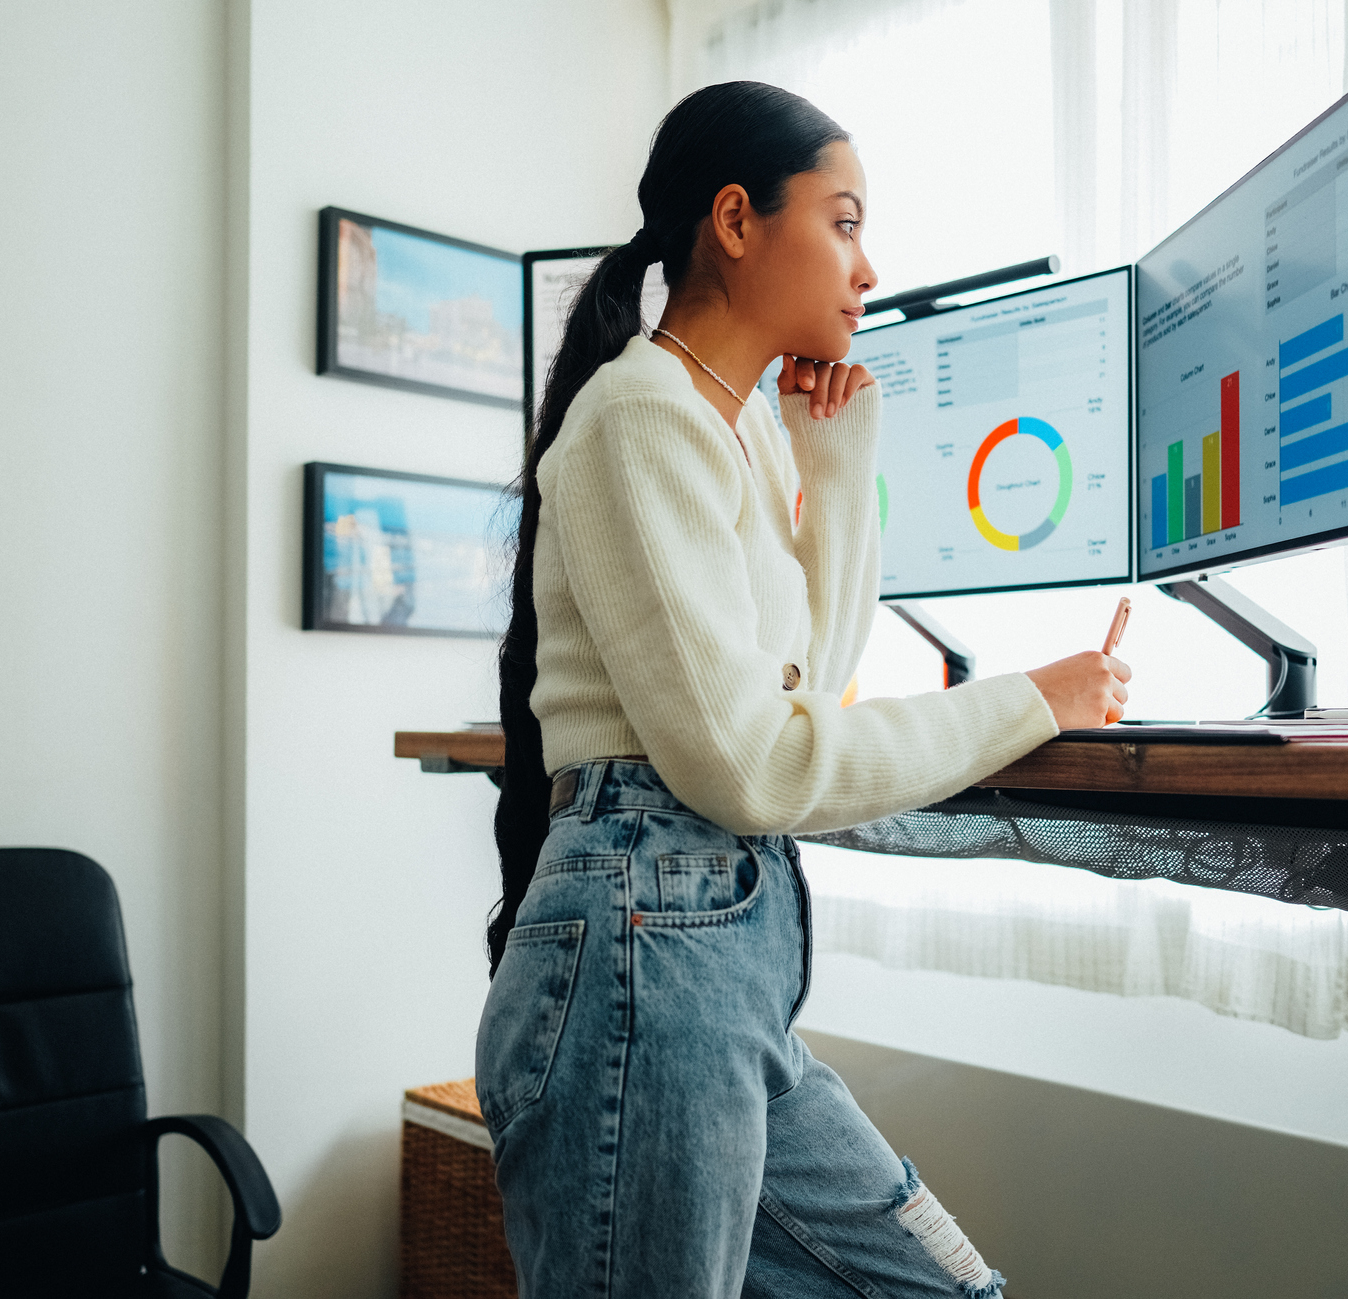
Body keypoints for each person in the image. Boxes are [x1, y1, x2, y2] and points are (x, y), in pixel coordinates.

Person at [478, 81, 1132, 1298]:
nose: (867, 267)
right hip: (645, 947)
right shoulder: (639, 415)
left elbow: (808, 699)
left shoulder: (733, 429)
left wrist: (832, 462)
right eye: (842, 222)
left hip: (709, 964)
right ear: (735, 221)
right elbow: (760, 765)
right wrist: (1033, 699)